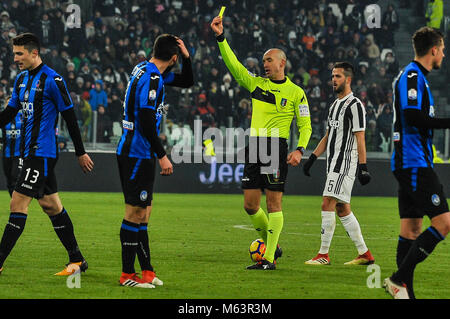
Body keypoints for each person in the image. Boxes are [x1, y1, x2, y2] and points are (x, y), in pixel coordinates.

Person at [211, 16, 312, 270]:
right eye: (263, 60)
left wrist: (300, 148)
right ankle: (273, 243)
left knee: (273, 203)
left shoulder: (296, 92)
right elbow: (233, 65)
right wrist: (221, 38)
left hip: (275, 147)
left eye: (269, 60)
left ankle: (269, 259)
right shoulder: (256, 84)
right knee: (250, 205)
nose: (264, 64)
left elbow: (305, 125)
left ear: (282, 62)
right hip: (254, 146)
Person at [0, 33, 94, 276]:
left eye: (19, 53)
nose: (16, 58)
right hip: (28, 152)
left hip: (42, 154)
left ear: (34, 53)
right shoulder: (21, 80)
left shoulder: (53, 80)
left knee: (17, 203)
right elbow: (9, 113)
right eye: (14, 54)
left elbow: (70, 118)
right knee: (51, 206)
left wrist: (80, 152)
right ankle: (77, 260)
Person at [116, 33, 193, 288]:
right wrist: (162, 156)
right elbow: (147, 121)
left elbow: (186, 81)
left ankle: (147, 271)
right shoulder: (152, 77)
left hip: (137, 150)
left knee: (144, 214)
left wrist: (187, 59)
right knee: (134, 212)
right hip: (137, 151)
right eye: (178, 58)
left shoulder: (144, 68)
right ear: (173, 58)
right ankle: (128, 274)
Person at [383, 26, 450, 299]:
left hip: (412, 161)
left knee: (411, 230)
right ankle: (399, 280)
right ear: (433, 49)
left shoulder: (418, 77)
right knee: (444, 223)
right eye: (443, 49)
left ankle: (404, 292)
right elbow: (412, 117)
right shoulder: (412, 75)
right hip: (413, 162)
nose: (444, 55)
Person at [302, 62, 374, 266]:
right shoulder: (334, 105)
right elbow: (328, 135)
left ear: (348, 79)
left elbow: (360, 137)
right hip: (332, 163)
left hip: (344, 164)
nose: (334, 80)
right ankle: (365, 254)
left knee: (327, 203)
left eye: (338, 76)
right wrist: (312, 158)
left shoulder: (355, 105)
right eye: (332, 76)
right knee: (342, 209)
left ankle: (323, 254)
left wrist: (363, 166)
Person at [1, 97, 22, 196]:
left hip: (19, 153)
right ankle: (13, 201)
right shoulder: (3, 118)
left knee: (15, 177)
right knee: (9, 180)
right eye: (7, 103)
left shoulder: (22, 116)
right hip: (6, 153)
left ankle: (17, 203)